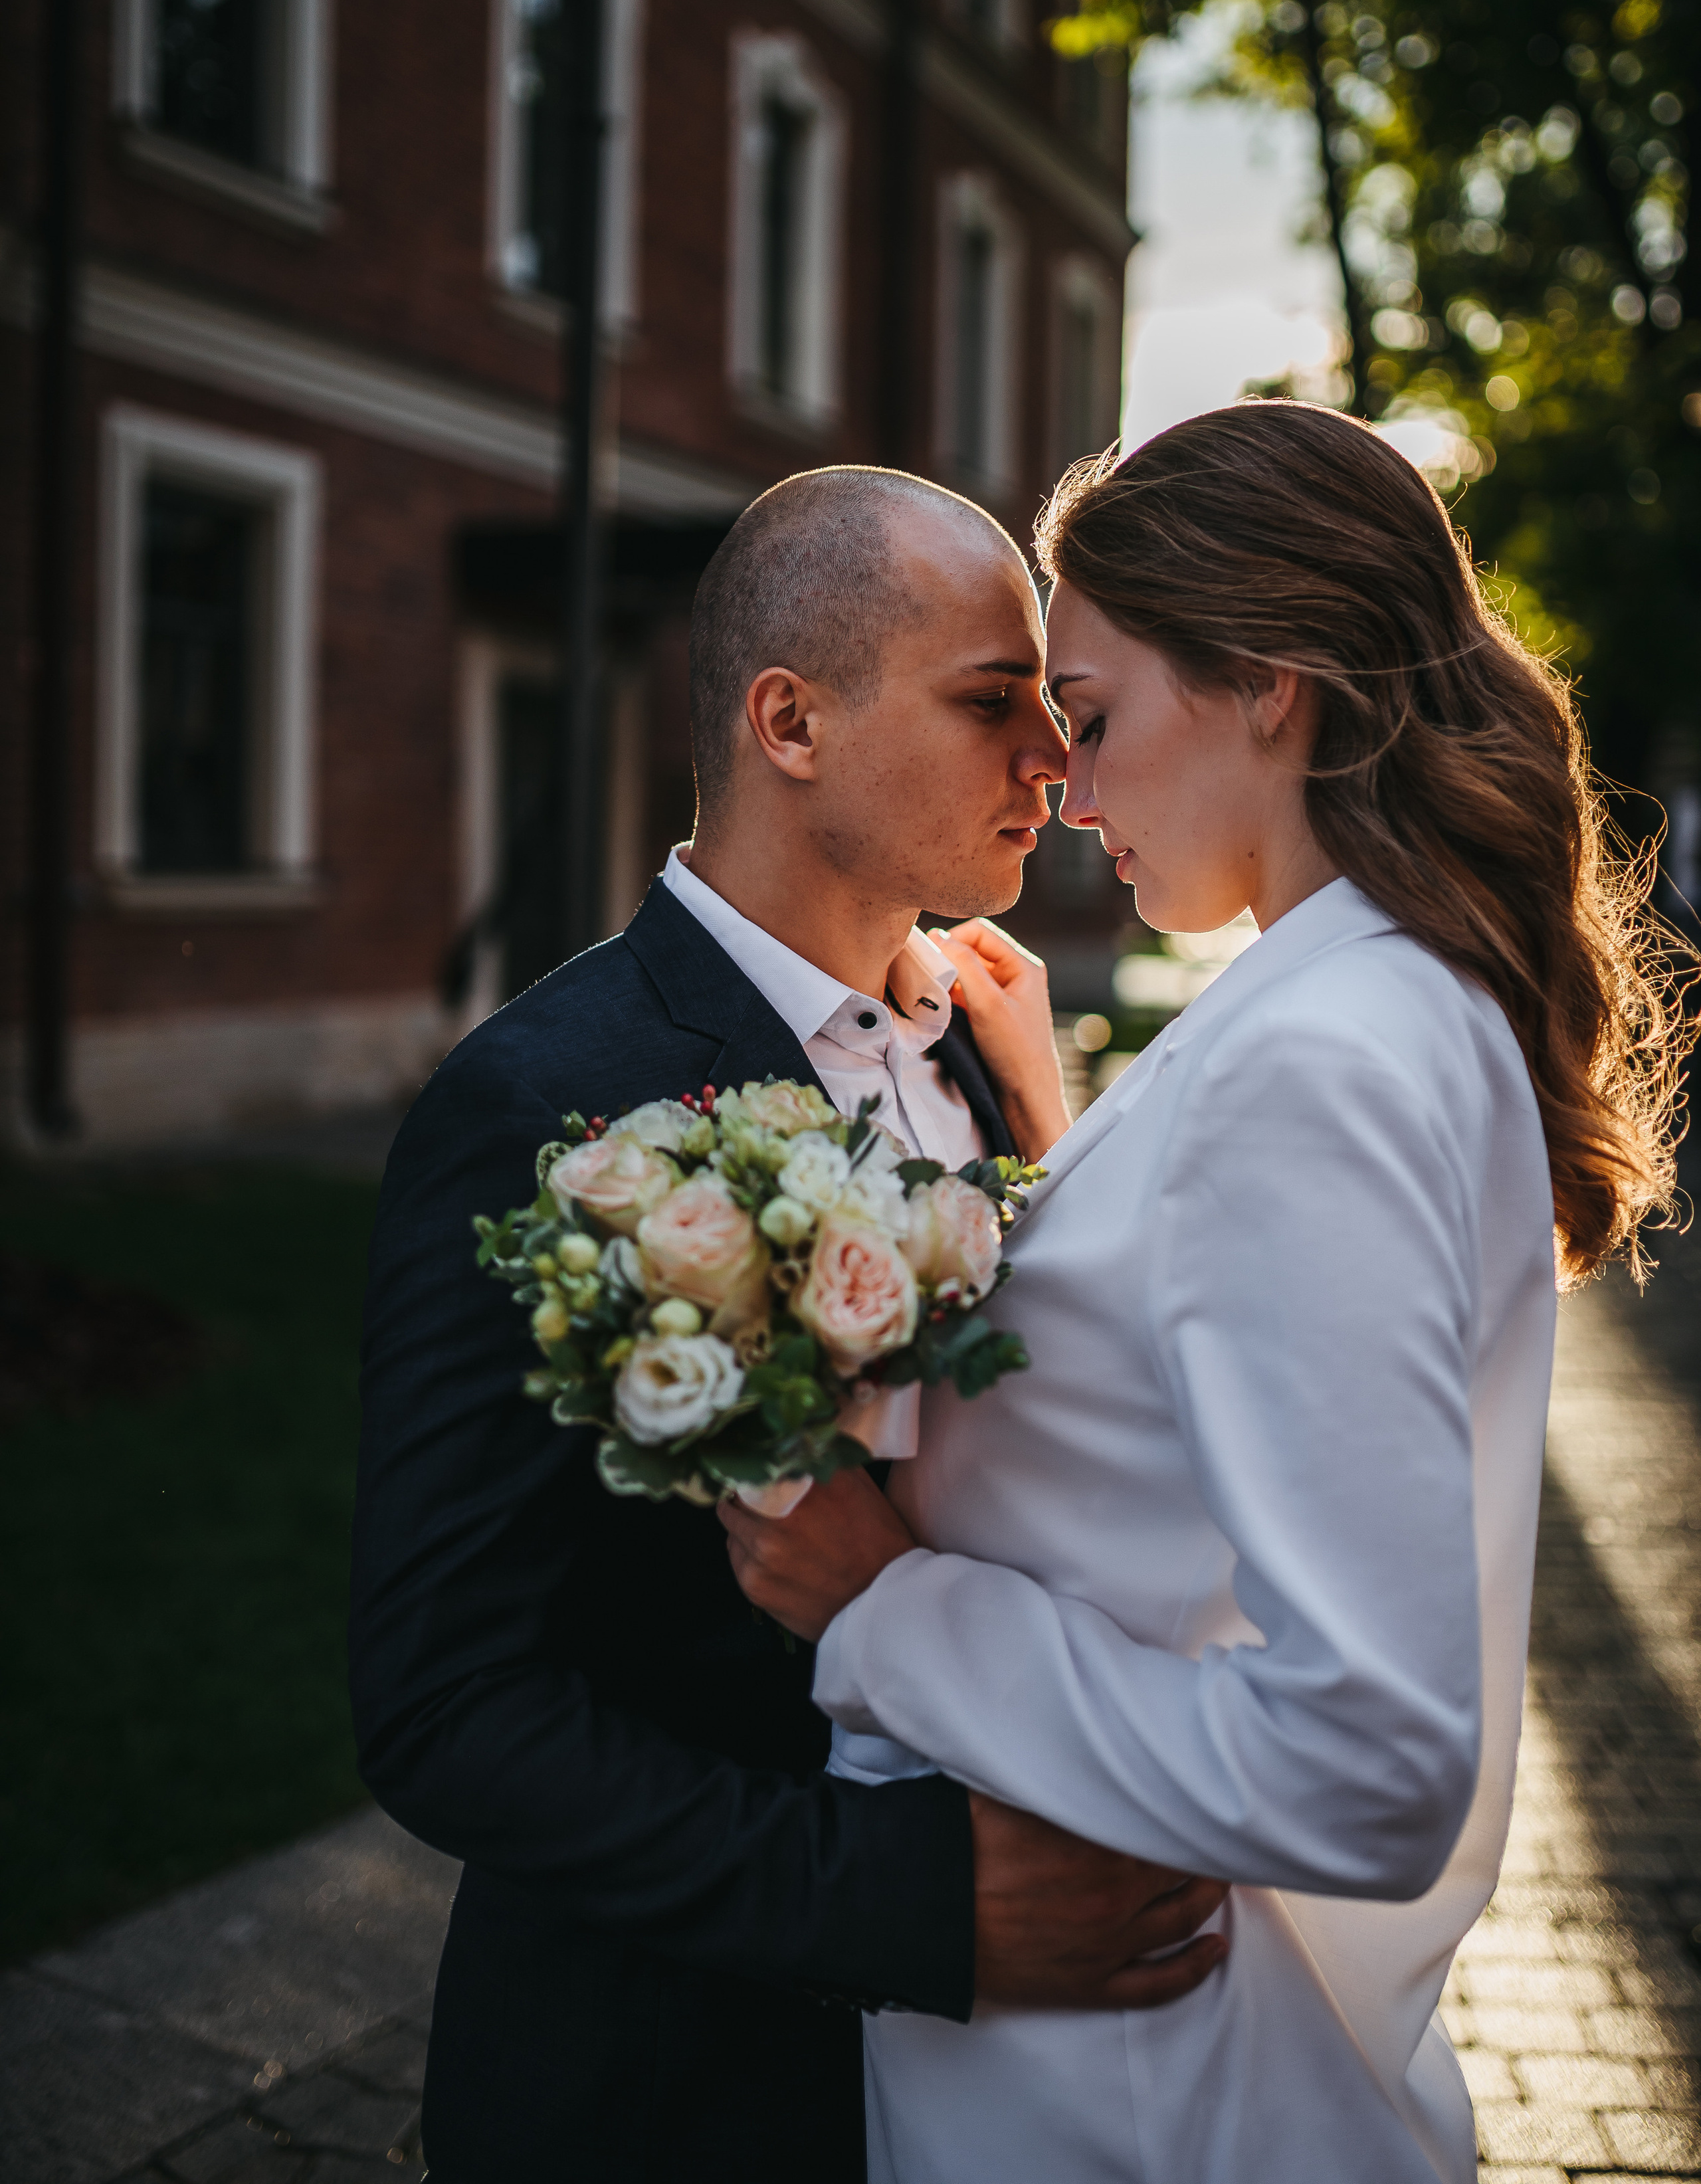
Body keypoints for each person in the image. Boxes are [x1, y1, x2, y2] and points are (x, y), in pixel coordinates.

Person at [720, 403, 1688, 2183]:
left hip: (1141, 2088)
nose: (1067, 792)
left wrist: (885, 1608)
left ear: (1272, 684)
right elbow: (1194, 1393)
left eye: (1089, 717)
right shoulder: (1359, 1009)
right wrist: (1065, 1136)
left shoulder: (1316, 1061)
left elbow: (1367, 1765)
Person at [350, 465, 1229, 2184]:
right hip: (676, 2083)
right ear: (790, 723)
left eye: (1052, 712)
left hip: (999, 2096)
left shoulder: (988, 1047)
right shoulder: (542, 1104)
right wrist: (913, 1904)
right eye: (994, 707)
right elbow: (444, 1703)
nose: (1052, 765)